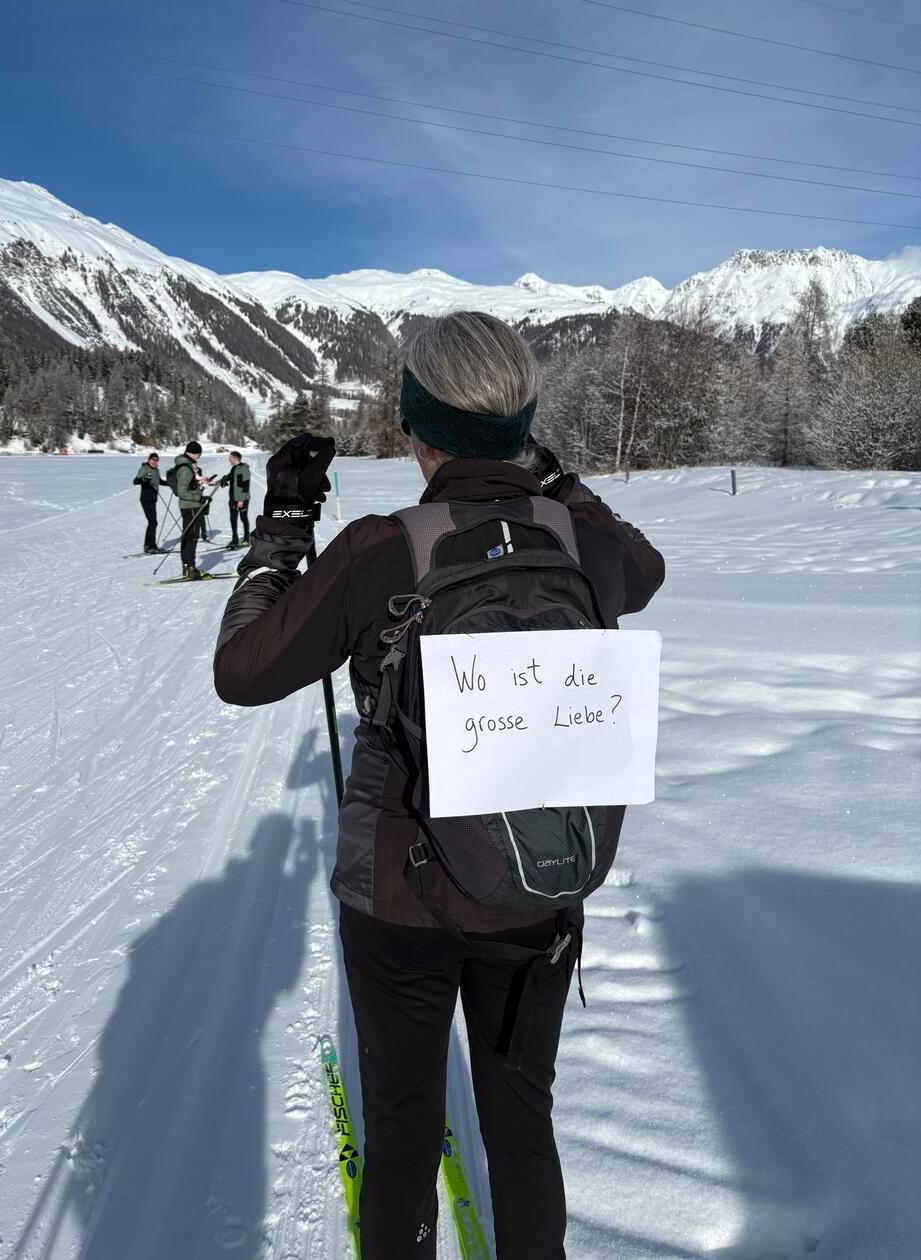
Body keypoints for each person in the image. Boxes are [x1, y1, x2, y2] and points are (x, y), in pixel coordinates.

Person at [213, 312, 664, 1259]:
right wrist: (550, 477)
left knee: (406, 1125)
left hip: (400, 897)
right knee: (521, 1118)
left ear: (416, 427)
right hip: (542, 880)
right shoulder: (582, 539)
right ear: (518, 422)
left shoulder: (381, 547)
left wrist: (283, 528)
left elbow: (243, 670)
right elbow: (647, 568)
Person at [169, 441, 215, 580]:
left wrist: (200, 482)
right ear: (194, 453)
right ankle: (191, 569)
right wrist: (199, 498)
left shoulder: (185, 465)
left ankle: (187, 568)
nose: (199, 457)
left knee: (188, 535)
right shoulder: (186, 468)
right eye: (198, 454)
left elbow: (189, 485)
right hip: (191, 506)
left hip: (189, 505)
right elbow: (182, 491)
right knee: (192, 537)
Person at [218, 450, 252, 549]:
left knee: (243, 518)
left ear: (235, 458)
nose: (229, 460)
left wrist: (241, 500)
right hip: (233, 498)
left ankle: (246, 539)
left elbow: (245, 486)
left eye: (230, 458)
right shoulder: (234, 468)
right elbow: (229, 477)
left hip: (242, 499)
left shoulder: (244, 469)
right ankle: (235, 539)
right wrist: (218, 482)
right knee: (233, 519)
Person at [132, 452, 163, 553]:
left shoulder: (156, 470)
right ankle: (151, 546)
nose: (154, 462)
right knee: (153, 522)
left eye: (156, 460)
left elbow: (159, 481)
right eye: (153, 459)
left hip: (153, 499)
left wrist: (172, 484)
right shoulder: (145, 469)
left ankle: (148, 545)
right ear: (149, 460)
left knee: (152, 522)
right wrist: (144, 479)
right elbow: (135, 481)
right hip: (146, 499)